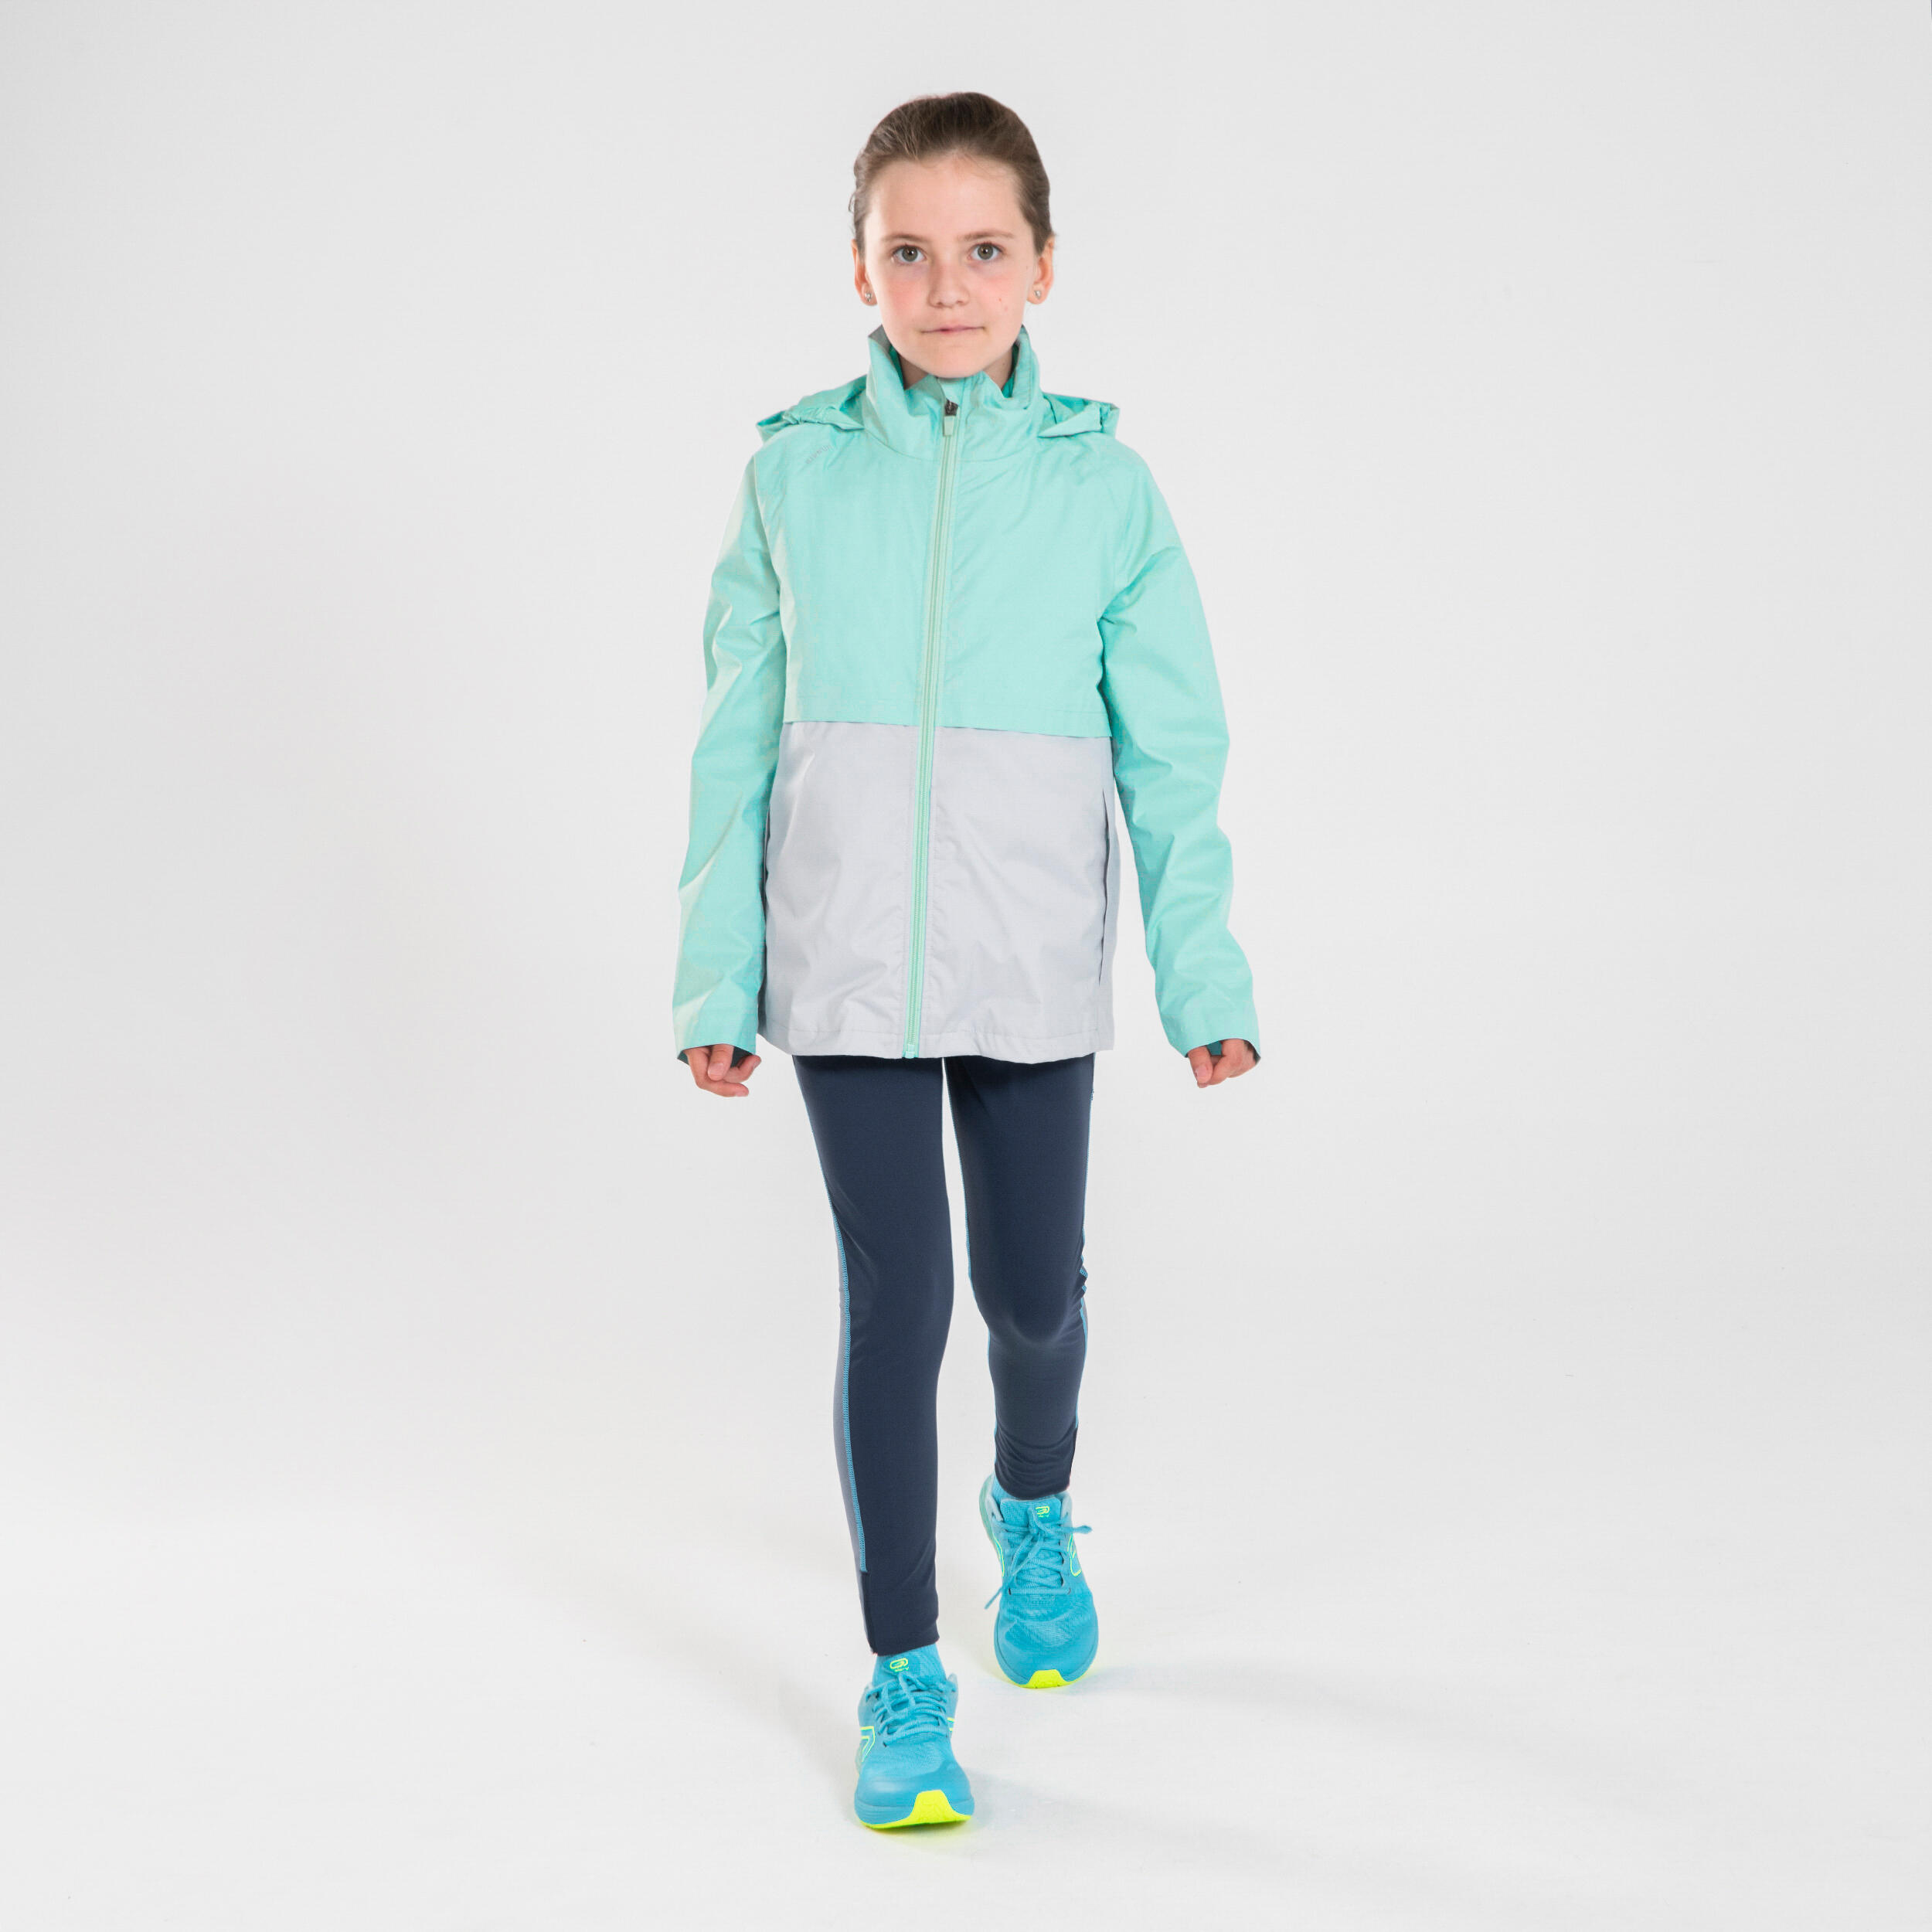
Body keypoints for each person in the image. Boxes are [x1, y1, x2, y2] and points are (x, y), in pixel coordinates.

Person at [672, 90, 1260, 1830]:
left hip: (1031, 963)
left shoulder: (1106, 490)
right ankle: (904, 1675)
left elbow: (1173, 753)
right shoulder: (791, 475)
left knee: (1031, 1299)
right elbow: (731, 745)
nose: (947, 287)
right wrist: (716, 975)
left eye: (983, 249)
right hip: (844, 961)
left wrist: (1203, 977)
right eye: (909, 252)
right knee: (898, 1305)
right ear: (858, 269)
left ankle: (1032, 1504)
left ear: (1043, 266)